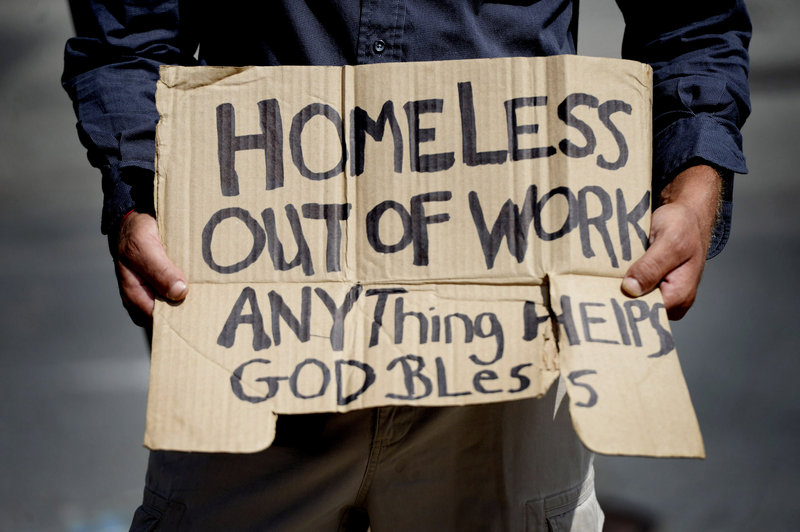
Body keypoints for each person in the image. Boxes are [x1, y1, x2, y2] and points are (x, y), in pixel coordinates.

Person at [62, 1, 751, 530]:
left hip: (513, 337)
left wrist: (694, 182)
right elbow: (125, 32)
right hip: (255, 324)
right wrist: (140, 188)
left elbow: (692, 21)